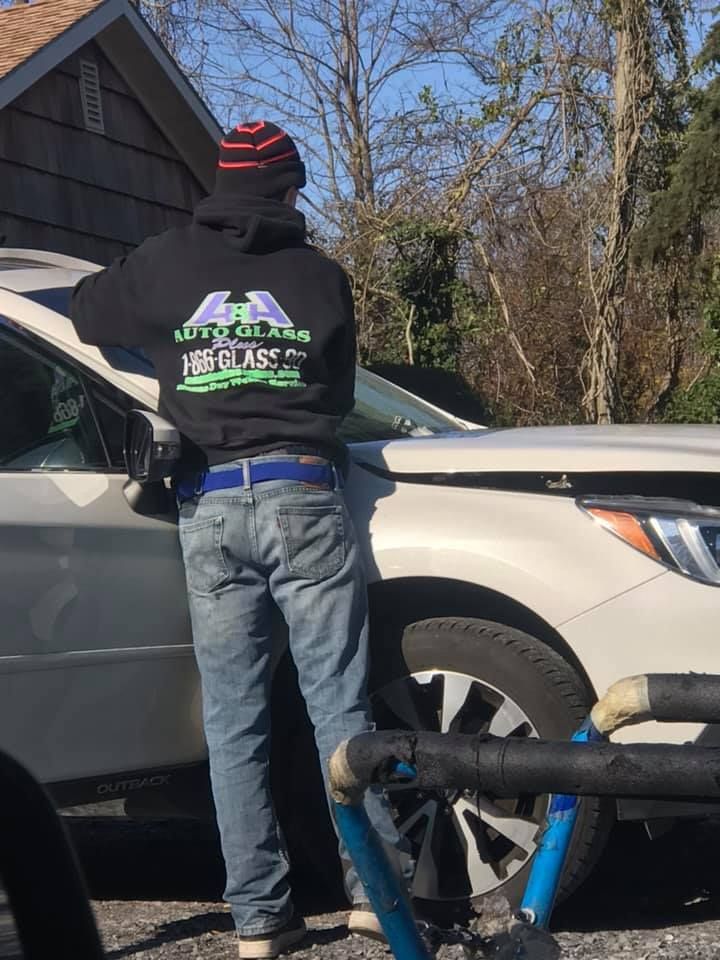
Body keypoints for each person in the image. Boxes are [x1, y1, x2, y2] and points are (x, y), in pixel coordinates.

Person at [70, 121, 411, 959]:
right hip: (304, 491)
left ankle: (259, 920)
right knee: (338, 703)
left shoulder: (165, 262)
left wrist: (161, 311)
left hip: (212, 503)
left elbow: (85, 311)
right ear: (286, 189)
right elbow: (335, 393)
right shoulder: (320, 276)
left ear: (221, 185)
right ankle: (376, 898)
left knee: (234, 720)